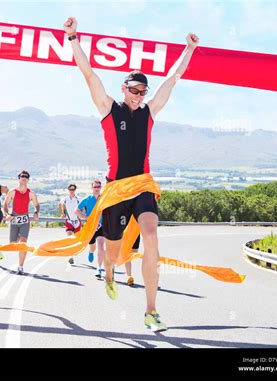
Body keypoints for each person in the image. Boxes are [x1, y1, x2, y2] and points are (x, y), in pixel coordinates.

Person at [65, 16, 199, 331]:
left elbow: (173, 77)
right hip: (115, 190)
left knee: (151, 236)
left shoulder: (150, 113)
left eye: (143, 90)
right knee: (112, 252)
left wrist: (189, 48)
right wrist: (73, 37)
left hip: (142, 186)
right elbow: (88, 74)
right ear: (124, 88)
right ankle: (109, 272)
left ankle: (151, 311)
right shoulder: (109, 109)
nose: (139, 95)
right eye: (134, 89)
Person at [3, 170, 40, 275]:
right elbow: (5, 204)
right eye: (22, 176)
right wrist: (7, 214)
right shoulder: (12, 192)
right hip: (14, 219)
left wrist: (36, 212)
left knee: (23, 244)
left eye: (26, 176)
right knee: (13, 244)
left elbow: (37, 205)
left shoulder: (31, 193)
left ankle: (20, 267)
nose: (24, 178)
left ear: (28, 180)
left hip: (25, 220)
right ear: (18, 178)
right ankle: (18, 238)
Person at [74, 180, 105, 279]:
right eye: (95, 187)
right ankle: (91, 252)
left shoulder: (103, 199)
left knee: (101, 245)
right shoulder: (87, 199)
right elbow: (76, 210)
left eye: (98, 187)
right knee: (92, 247)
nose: (97, 189)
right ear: (92, 188)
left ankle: (99, 268)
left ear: (100, 188)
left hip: (101, 226)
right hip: (90, 227)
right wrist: (87, 218)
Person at [59, 183, 81, 265]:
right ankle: (70, 257)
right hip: (69, 221)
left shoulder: (78, 199)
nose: (72, 191)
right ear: (68, 190)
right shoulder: (65, 199)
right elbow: (60, 205)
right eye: (70, 189)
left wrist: (82, 214)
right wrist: (62, 213)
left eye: (73, 189)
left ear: (75, 190)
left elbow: (83, 207)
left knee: (76, 240)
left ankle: (73, 253)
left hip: (77, 221)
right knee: (70, 238)